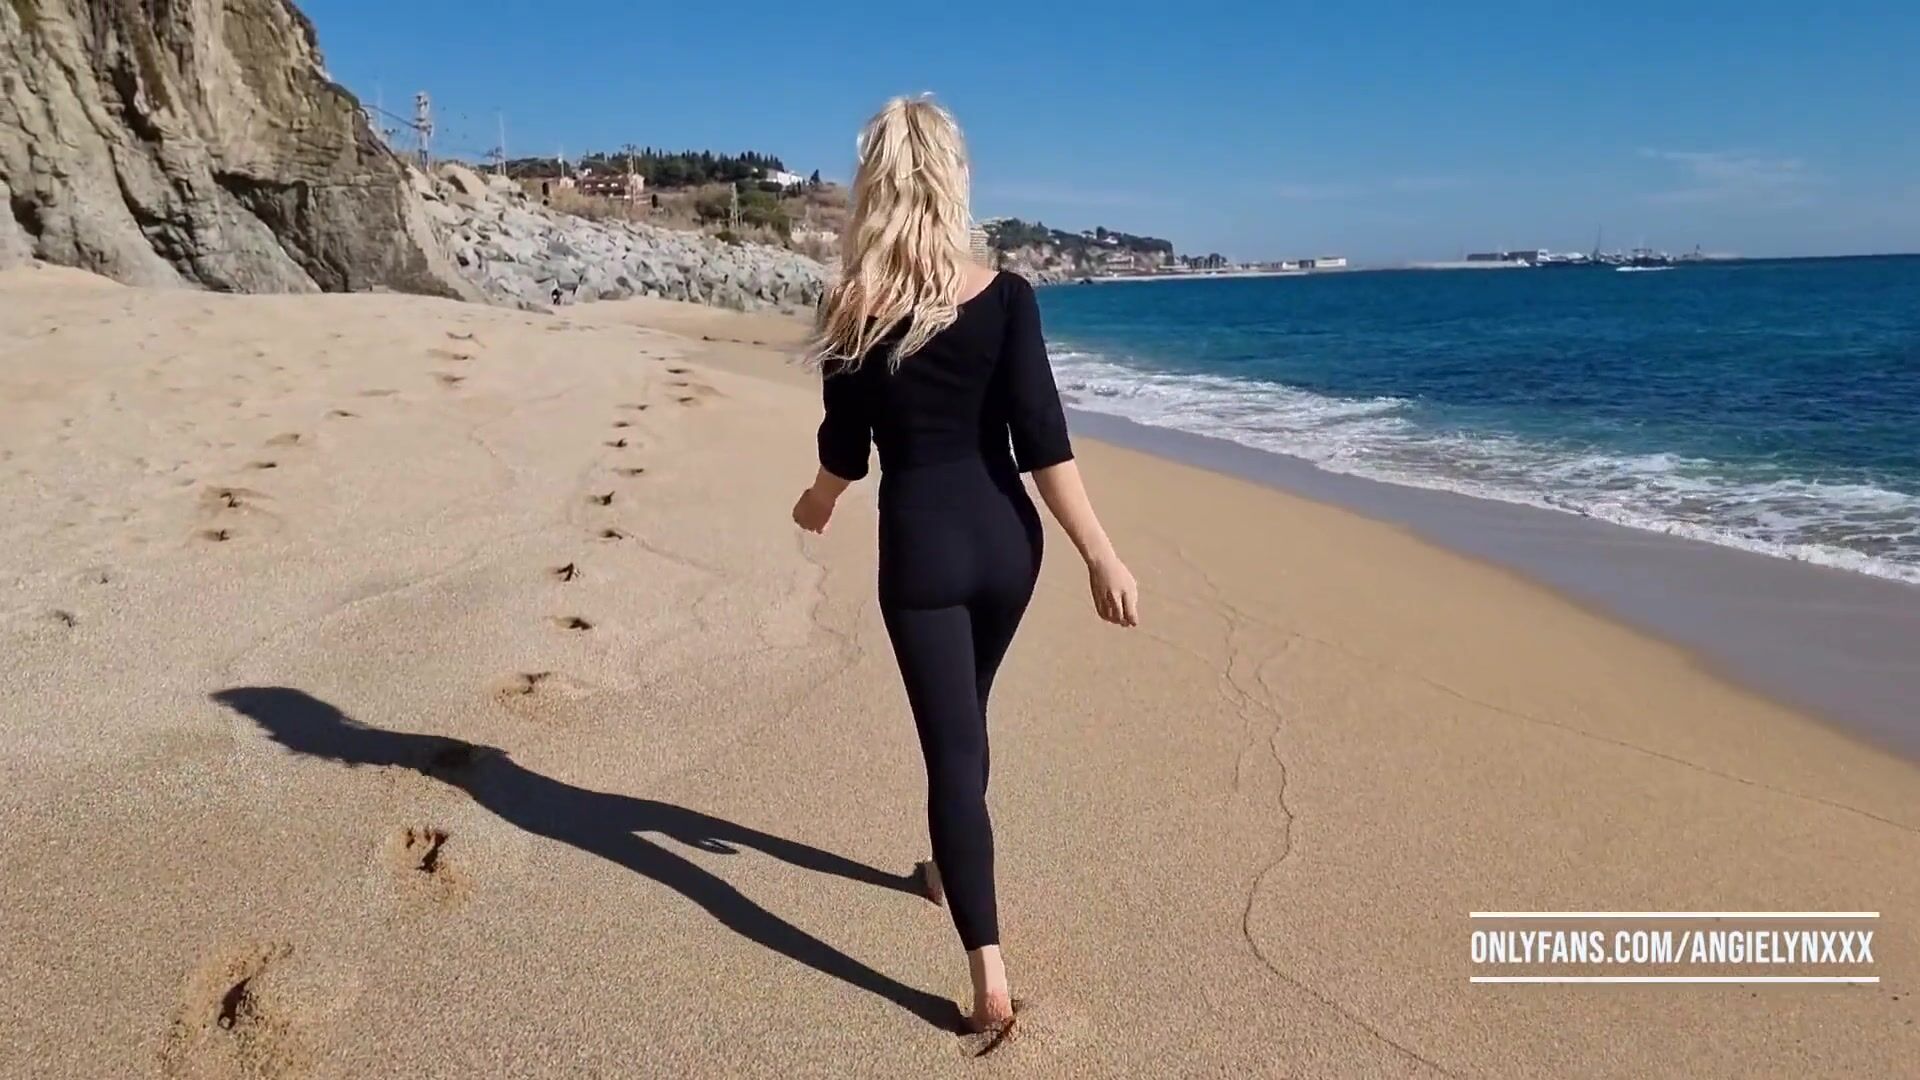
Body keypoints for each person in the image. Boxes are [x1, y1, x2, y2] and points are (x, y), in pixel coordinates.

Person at [790, 95, 1139, 1033]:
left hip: (922, 553)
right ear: (954, 181)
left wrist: (817, 502)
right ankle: (950, 865)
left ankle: (987, 966)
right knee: (967, 718)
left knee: (950, 746)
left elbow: (846, 451)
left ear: (873, 186)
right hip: (1008, 547)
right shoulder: (1010, 297)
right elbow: (1044, 443)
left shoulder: (851, 309)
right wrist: (1100, 555)